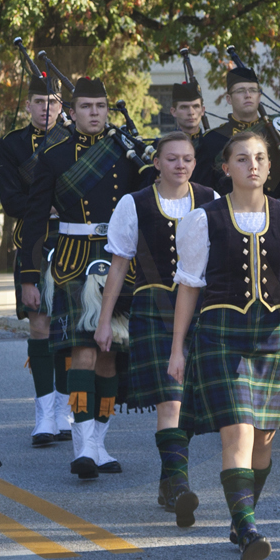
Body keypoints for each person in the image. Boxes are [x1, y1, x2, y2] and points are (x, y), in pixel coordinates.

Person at [168, 129, 280, 560]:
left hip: (276, 335)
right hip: (221, 335)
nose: (253, 165)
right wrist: (177, 349)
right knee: (239, 433)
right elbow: (188, 288)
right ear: (226, 169)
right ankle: (247, 529)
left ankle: (243, 516)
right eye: (242, 158)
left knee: (263, 441)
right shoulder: (203, 219)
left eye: (260, 157)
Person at [19, 76, 143, 479]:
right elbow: (35, 220)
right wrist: (29, 276)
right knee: (82, 353)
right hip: (72, 262)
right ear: (71, 113)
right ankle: (82, 444)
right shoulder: (54, 156)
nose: (95, 114)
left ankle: (100, 443)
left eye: (101, 107)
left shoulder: (126, 154)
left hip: (119, 260)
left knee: (109, 359)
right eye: (87, 108)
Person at [95, 132, 217, 523]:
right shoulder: (134, 204)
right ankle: (180, 485)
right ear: (157, 163)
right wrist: (104, 321)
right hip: (153, 307)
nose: (180, 165)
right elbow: (117, 267)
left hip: (202, 307)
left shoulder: (212, 200)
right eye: (172, 159)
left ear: (195, 163)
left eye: (187, 159)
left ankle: (169, 481)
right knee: (170, 400)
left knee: (189, 403)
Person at [0, 69, 71, 447]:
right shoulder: (12, 145)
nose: (46, 109)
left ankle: (64, 409)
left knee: (69, 327)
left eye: (53, 102)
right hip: (33, 240)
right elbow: (10, 200)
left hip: (75, 242)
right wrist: (47, 206)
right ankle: (44, 413)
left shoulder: (74, 140)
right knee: (40, 325)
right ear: (27, 105)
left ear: (62, 106)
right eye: (39, 102)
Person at [193, 58, 280, 198]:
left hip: (276, 212)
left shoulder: (276, 131)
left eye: (252, 90)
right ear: (229, 99)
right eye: (240, 91)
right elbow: (202, 190)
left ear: (259, 96)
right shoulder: (212, 140)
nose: (248, 95)